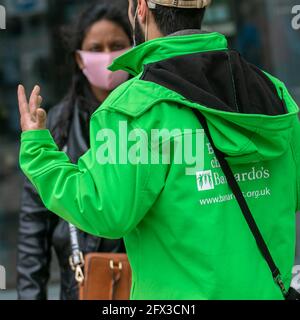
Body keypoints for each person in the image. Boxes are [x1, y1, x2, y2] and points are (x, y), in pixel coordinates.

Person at [17, 0, 300, 300]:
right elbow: (291, 194)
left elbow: (104, 210)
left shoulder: (134, 108)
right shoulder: (273, 92)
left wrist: (38, 150)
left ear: (140, 8)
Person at [17, 3, 132, 300]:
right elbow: (34, 230)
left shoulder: (151, 119)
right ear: (80, 59)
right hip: (81, 287)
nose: (107, 55)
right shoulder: (56, 125)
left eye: (117, 45)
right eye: (96, 48)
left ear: (133, 49)